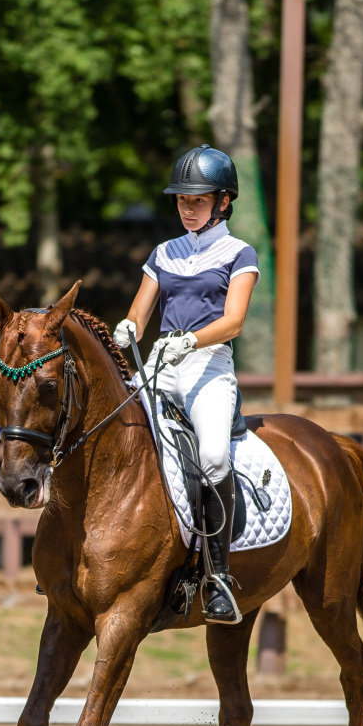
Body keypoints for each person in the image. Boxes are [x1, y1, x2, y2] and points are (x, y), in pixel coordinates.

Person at [113, 144, 260, 625]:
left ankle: (219, 576)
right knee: (110, 429)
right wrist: (129, 328)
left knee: (214, 455)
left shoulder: (239, 253)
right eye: (182, 200)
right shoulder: (164, 252)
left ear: (223, 201)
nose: (188, 208)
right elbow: (141, 310)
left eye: (198, 200)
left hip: (209, 367)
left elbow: (234, 321)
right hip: (161, 363)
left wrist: (191, 341)